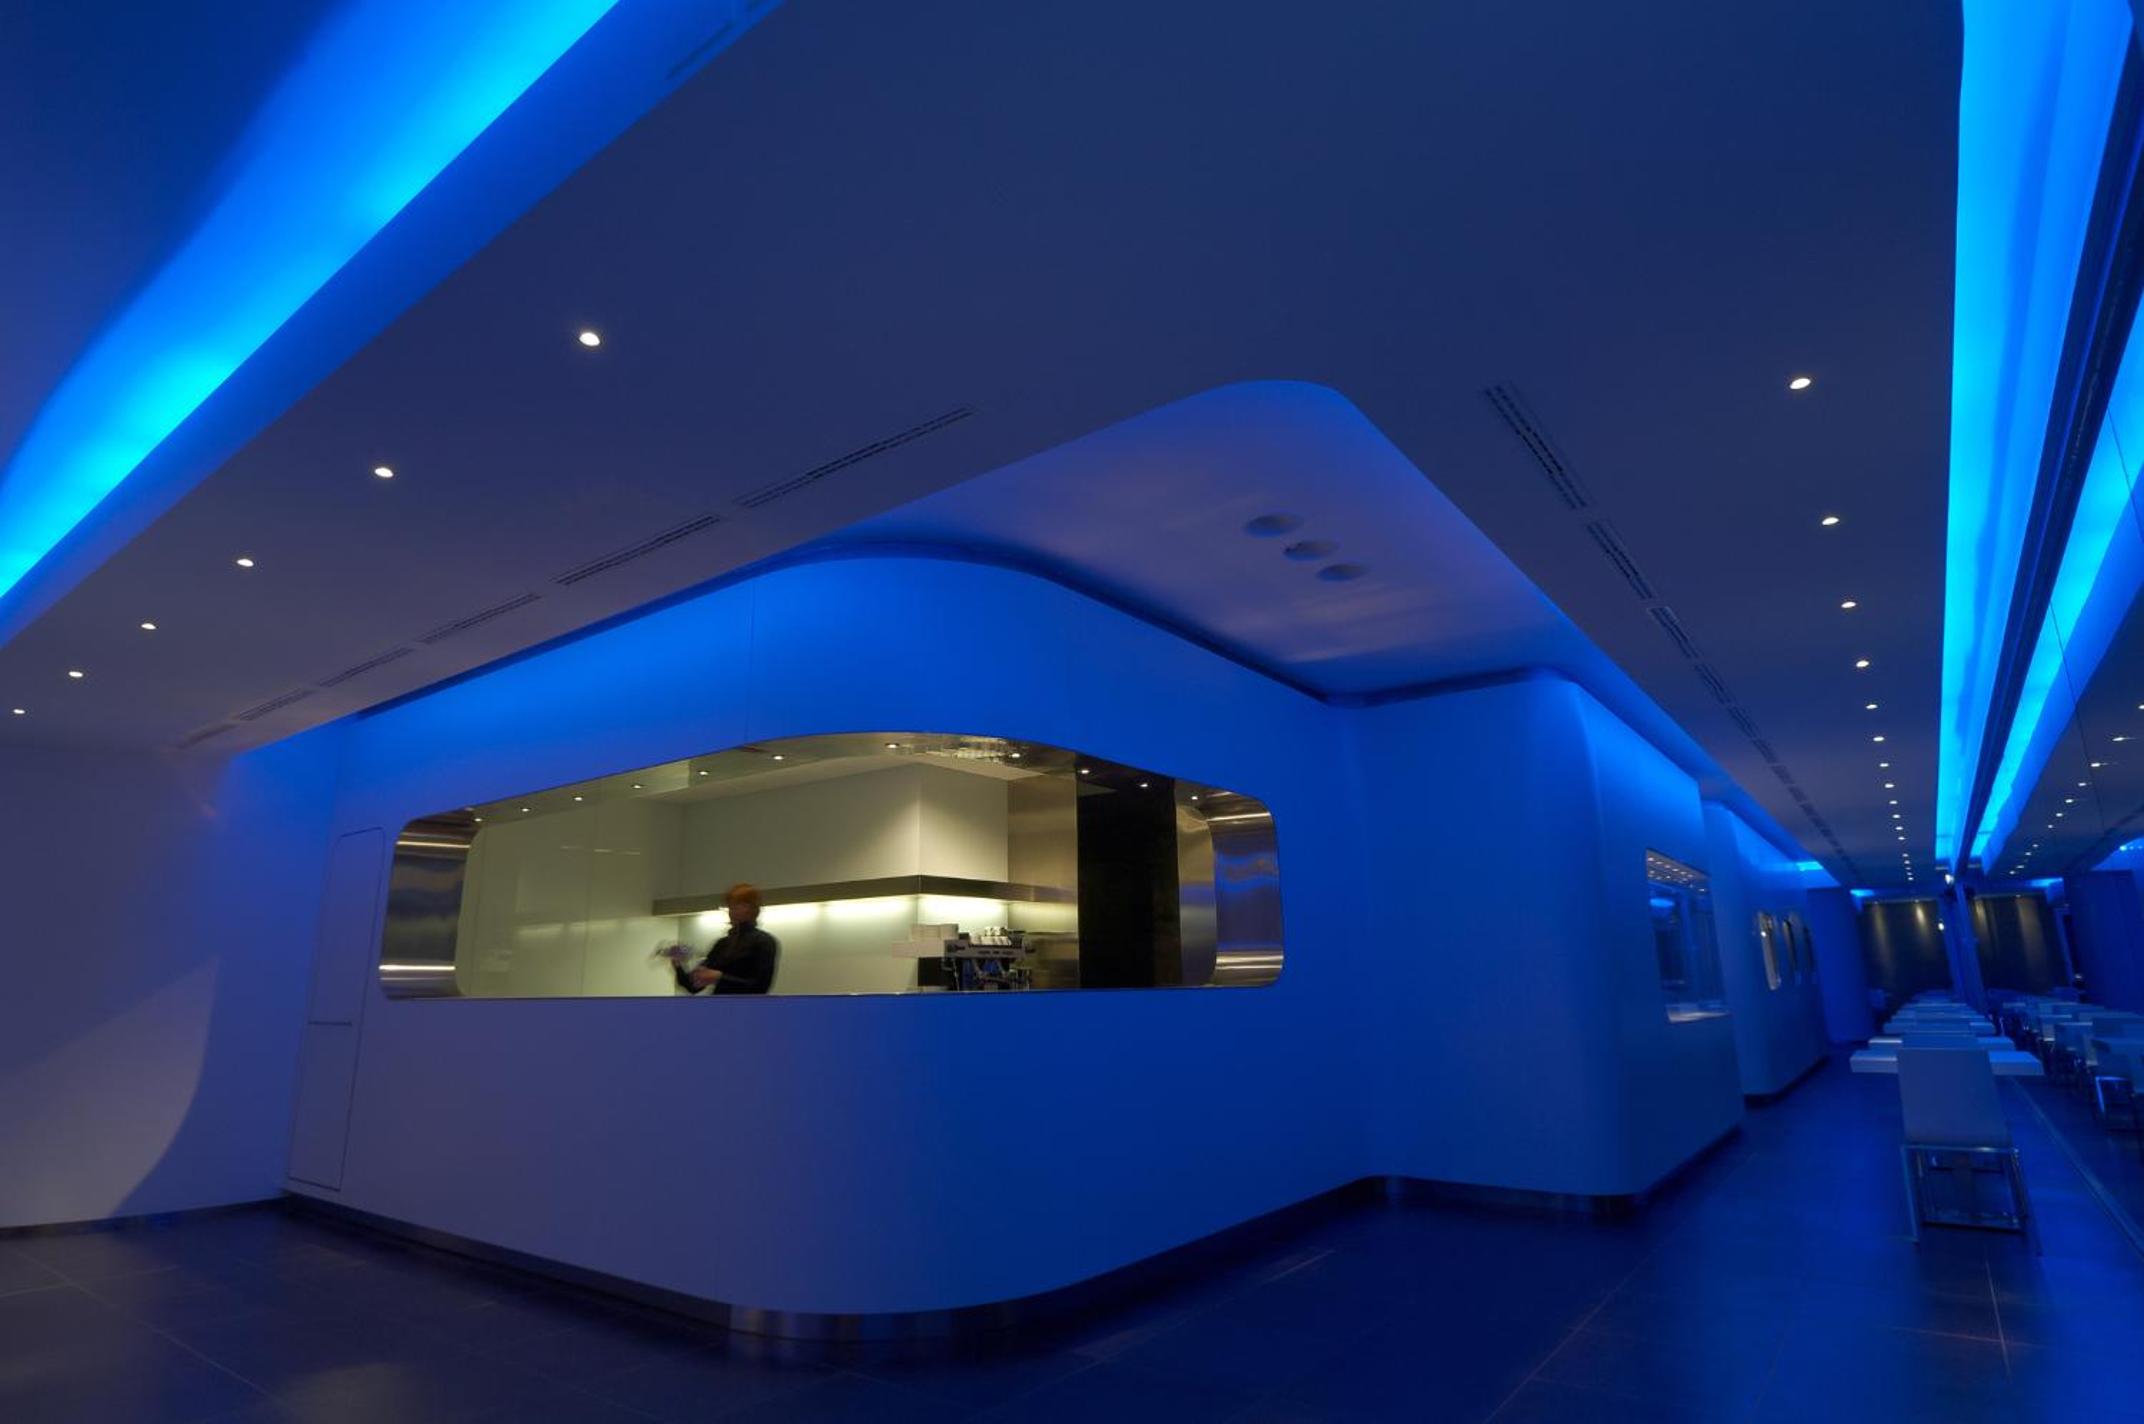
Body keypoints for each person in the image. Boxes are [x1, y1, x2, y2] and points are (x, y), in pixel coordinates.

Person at [672, 883, 779, 995]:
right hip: (721, 1005)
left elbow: (760, 987)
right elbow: (693, 985)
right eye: (731, 907)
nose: (731, 911)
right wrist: (677, 964)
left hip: (744, 1005)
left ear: (751, 908)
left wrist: (719, 977)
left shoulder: (763, 942)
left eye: (737, 905)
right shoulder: (723, 944)